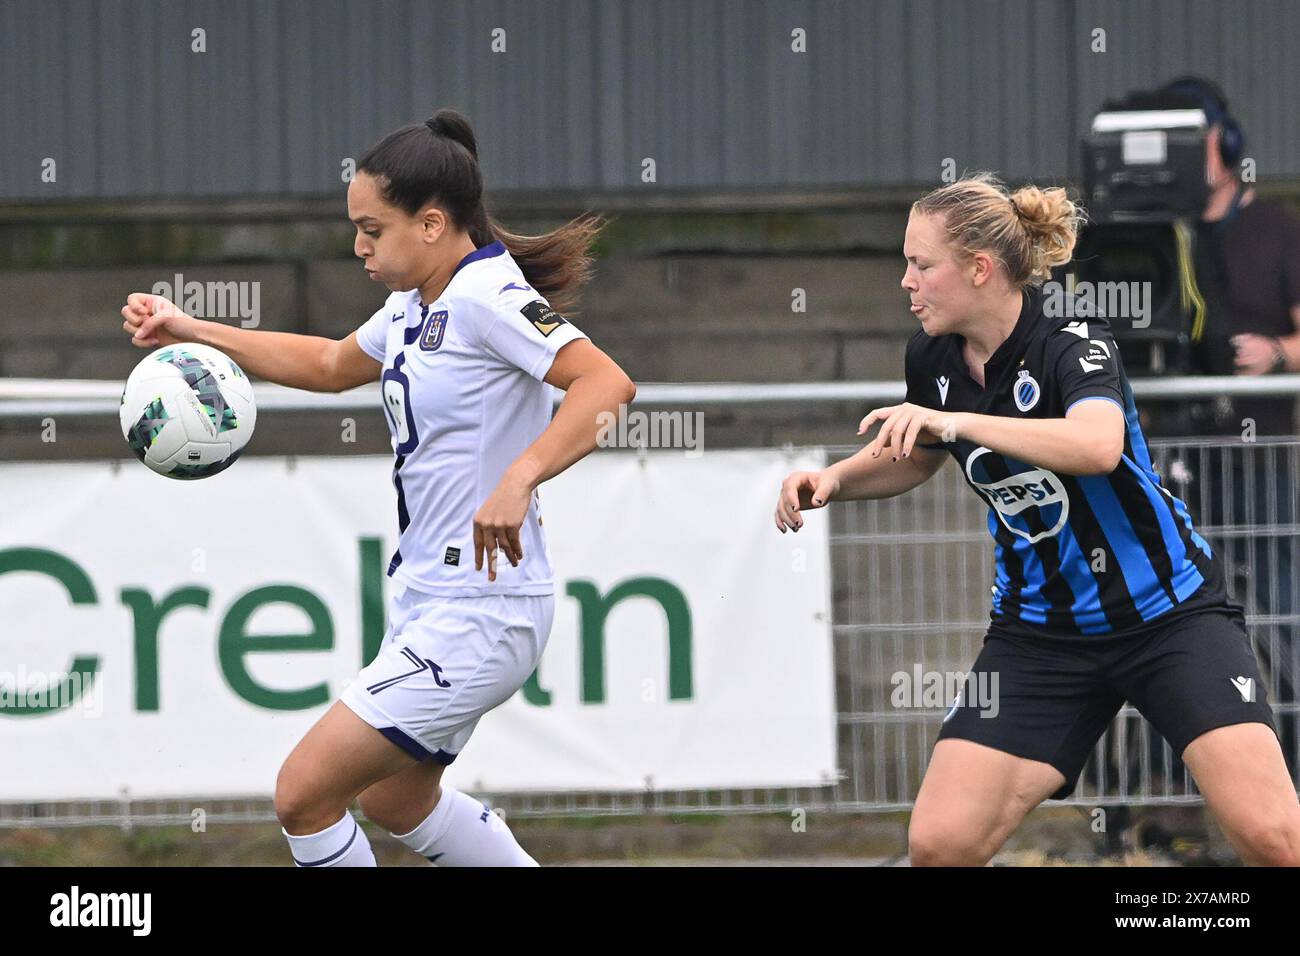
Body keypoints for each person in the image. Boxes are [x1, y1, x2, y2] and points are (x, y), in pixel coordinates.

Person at [121, 109, 636, 867]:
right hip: (433, 604)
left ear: (431, 224)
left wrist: (519, 477)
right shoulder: (414, 305)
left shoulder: (487, 299)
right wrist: (192, 328)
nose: (358, 247)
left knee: (303, 792)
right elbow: (329, 366)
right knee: (398, 800)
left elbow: (608, 384)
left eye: (372, 229)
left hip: (482, 612)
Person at [774, 172, 1300, 866]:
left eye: (921, 264)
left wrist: (959, 419)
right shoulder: (932, 357)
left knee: (1272, 838)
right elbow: (921, 451)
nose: (906, 280)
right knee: (940, 844)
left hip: (1168, 616)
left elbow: (1096, 445)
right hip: (1042, 634)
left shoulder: (1072, 340)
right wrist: (835, 479)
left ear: (979, 269)